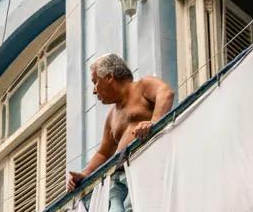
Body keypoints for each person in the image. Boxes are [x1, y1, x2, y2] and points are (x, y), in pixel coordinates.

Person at [66, 53, 174, 191]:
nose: (94, 91)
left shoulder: (143, 86)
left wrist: (154, 122)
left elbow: (165, 93)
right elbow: (103, 154)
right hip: (122, 179)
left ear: (110, 77)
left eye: (95, 82)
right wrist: (84, 174)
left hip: (148, 166)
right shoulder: (112, 116)